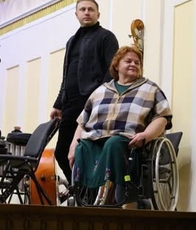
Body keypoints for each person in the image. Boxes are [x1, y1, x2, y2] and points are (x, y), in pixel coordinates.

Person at [67, 46, 172, 208]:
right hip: (95, 139)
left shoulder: (150, 89)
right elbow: (82, 122)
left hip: (128, 141)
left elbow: (162, 118)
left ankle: (121, 198)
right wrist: (73, 145)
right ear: (116, 65)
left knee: (113, 143)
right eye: (128, 61)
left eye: (137, 62)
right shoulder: (100, 91)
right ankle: (84, 198)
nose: (133, 64)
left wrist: (145, 135)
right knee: (83, 147)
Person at [50, 0, 119, 184]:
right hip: (70, 105)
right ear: (76, 14)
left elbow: (112, 71)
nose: (86, 12)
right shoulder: (71, 41)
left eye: (90, 9)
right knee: (61, 152)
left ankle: (88, 192)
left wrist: (98, 98)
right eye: (82, 9)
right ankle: (79, 190)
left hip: (94, 105)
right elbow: (66, 76)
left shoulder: (106, 37)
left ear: (98, 14)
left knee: (87, 152)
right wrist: (58, 104)